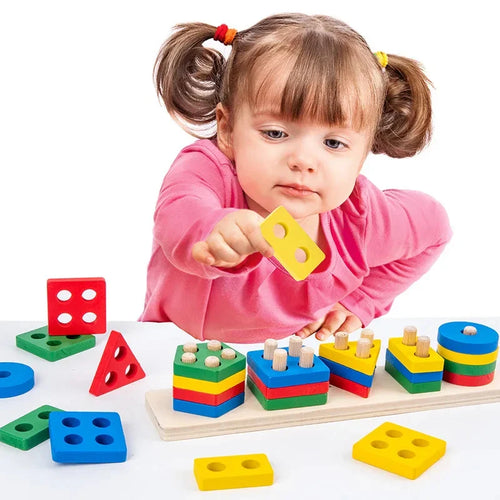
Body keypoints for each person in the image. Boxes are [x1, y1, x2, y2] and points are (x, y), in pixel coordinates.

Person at [139, 13, 452, 343]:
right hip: (169, 353)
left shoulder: (362, 219)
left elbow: (435, 229)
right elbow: (178, 214)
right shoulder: (207, 169)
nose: (303, 161)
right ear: (227, 129)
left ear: (363, 154)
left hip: (294, 364)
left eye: (334, 143)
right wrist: (213, 230)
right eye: (275, 133)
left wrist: (362, 301)